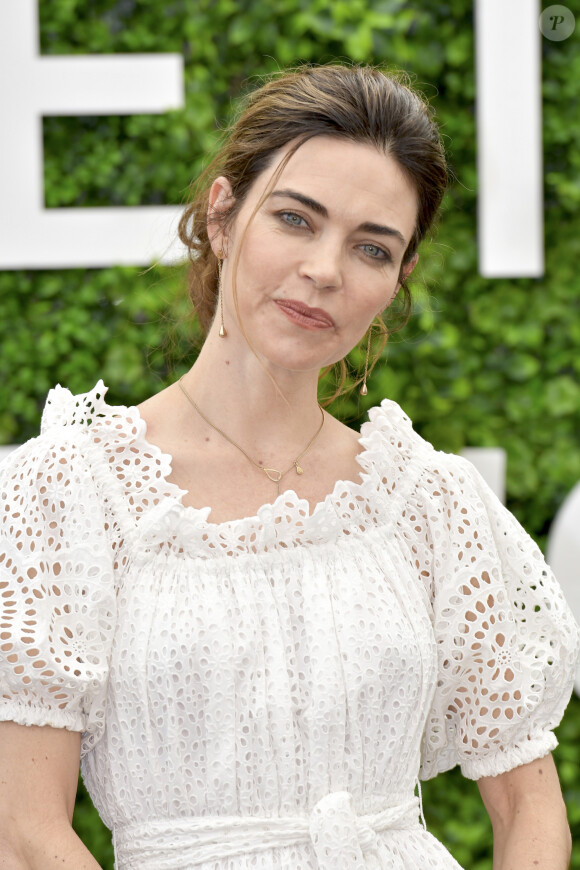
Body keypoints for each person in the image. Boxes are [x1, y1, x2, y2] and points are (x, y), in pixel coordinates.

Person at [0, 64, 578, 870]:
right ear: (225, 215)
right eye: (296, 220)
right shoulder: (70, 489)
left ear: (397, 280)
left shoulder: (427, 499)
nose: (326, 270)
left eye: (372, 247)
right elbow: (25, 833)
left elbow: (529, 808)